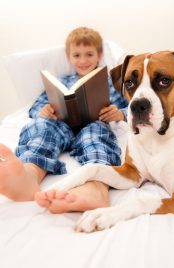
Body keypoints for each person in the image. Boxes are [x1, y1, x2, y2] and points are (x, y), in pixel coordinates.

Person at [0, 27, 128, 214]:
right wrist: (43, 111)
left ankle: (96, 188)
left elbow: (131, 107)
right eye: (77, 55)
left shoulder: (110, 82)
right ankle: (28, 176)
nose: (83, 60)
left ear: (99, 55)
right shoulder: (63, 80)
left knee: (95, 135)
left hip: (94, 122)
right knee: (41, 127)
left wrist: (119, 113)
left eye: (89, 54)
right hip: (61, 125)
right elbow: (36, 107)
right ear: (69, 57)